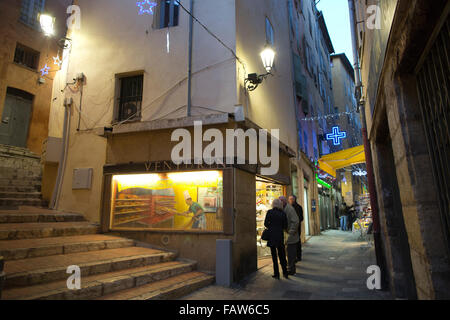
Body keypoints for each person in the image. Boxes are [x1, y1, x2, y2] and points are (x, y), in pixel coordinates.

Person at [264, 199, 289, 279]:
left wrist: (271, 227)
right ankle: (285, 272)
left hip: (272, 236)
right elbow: (285, 226)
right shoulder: (283, 213)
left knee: (274, 256)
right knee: (282, 255)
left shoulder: (269, 212)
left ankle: (276, 274)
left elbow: (265, 223)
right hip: (280, 236)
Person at [279, 196, 299, 275]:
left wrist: (291, 231)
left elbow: (296, 221)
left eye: (281, 201)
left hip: (291, 236)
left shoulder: (290, 209)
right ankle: (289, 268)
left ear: (284, 202)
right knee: (288, 254)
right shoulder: (284, 209)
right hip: (286, 236)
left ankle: (291, 270)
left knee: (291, 254)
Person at [288, 195, 303, 262]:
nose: (290, 200)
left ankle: (298, 256)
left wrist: (296, 223)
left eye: (291, 199)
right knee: (295, 242)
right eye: (289, 199)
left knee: (296, 242)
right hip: (292, 227)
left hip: (296, 228)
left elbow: (301, 218)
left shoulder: (298, 207)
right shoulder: (289, 207)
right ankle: (296, 256)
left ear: (294, 199)